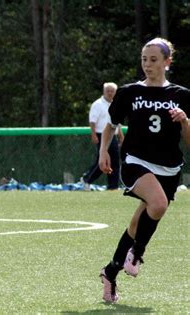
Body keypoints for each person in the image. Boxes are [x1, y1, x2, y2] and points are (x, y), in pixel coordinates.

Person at [98, 37, 190, 303]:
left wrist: (184, 120)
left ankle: (110, 272)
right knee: (158, 204)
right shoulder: (129, 92)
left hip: (169, 168)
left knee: (138, 222)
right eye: (144, 59)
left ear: (167, 62)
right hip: (136, 161)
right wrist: (104, 150)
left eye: (153, 60)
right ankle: (137, 252)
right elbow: (110, 125)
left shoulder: (182, 96)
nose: (147, 65)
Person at [81, 82, 124, 191]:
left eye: (112, 91)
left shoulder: (115, 104)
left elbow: (116, 122)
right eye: (108, 91)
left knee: (114, 161)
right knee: (103, 161)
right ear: (104, 92)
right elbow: (92, 121)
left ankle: (113, 186)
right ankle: (87, 179)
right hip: (101, 135)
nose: (110, 93)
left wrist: (120, 135)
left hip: (112, 136)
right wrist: (94, 134)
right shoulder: (98, 104)